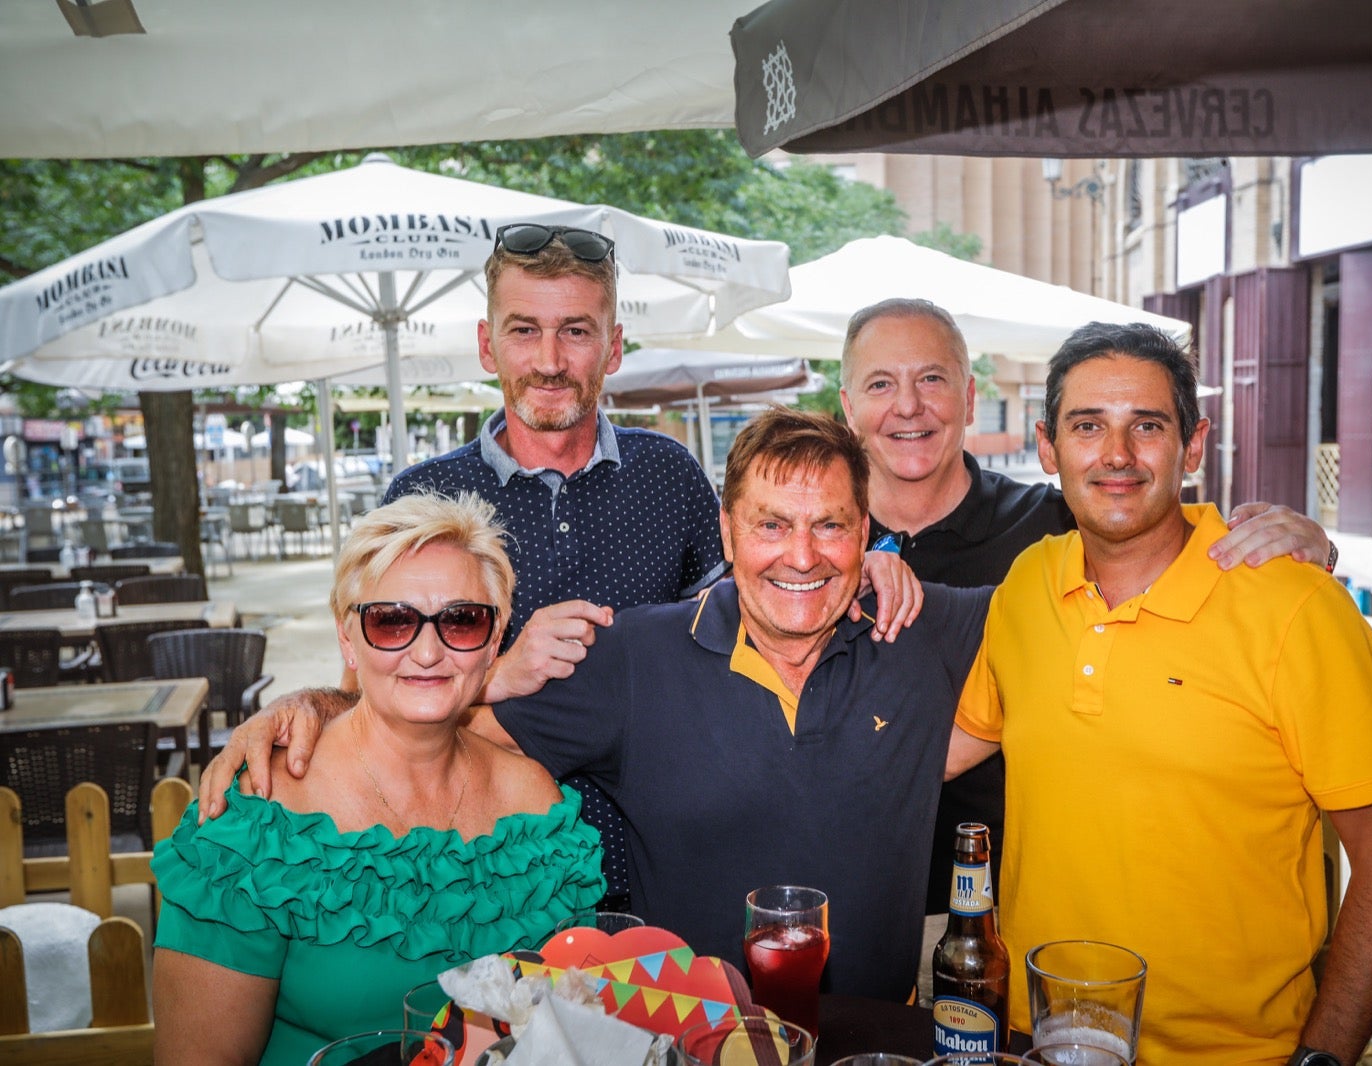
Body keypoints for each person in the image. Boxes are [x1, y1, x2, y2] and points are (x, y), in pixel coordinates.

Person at [214, 408, 993, 1005]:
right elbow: (437, 727)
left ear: (867, 534)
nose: (801, 554)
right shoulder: (631, 656)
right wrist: (316, 707)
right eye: (771, 524)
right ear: (726, 530)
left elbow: (1079, 604)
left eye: (830, 526)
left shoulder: (923, 631)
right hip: (685, 1041)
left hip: (871, 1040)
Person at [257, 223, 918, 911]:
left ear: (614, 347)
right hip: (484, 885)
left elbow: (757, 614)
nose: (549, 360)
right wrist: (495, 673)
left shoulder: (670, 475)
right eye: (523, 331)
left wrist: (857, 564)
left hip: (663, 888)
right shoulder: (421, 501)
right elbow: (366, 700)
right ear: (488, 345)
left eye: (575, 331)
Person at [947, 322, 1372, 1065]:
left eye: (1147, 426)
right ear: (1049, 448)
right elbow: (949, 749)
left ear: (1194, 446)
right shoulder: (1026, 586)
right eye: (1088, 427)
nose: (1116, 455)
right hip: (1032, 1039)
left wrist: (1323, 1058)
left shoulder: (1294, 609)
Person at [837, 297, 1335, 914]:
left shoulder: (1059, 530)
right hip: (852, 897)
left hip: (1013, 914)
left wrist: (1310, 548)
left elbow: (1176, 543)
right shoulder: (808, 546)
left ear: (968, 399)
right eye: (881, 383)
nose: (908, 405)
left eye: (932, 379)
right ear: (848, 406)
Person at [153, 493, 604, 1066]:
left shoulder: (537, 807)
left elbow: (570, 1025)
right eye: (392, 621)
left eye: (462, 620)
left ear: (495, 639)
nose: (427, 651)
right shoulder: (257, 813)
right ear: (348, 637)